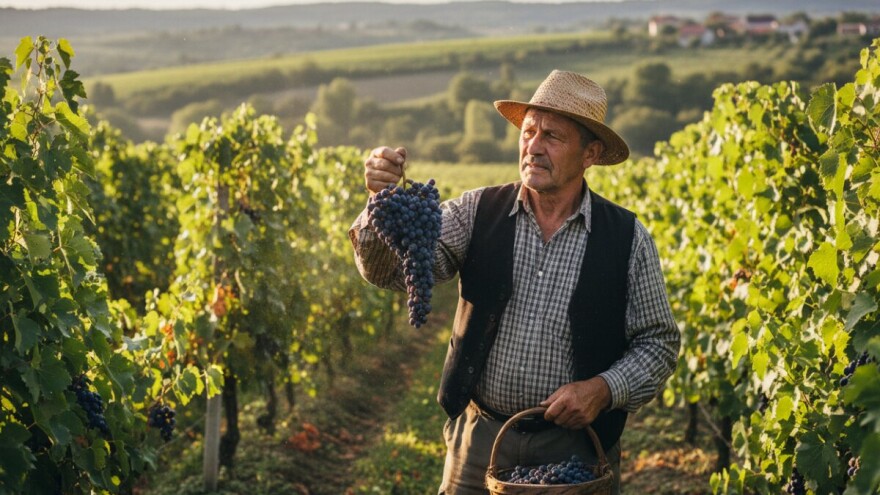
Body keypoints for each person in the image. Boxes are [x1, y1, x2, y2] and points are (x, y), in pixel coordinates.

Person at [349, 70, 680, 495]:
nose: (533, 147)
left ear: (591, 153)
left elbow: (659, 343)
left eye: (552, 136)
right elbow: (390, 272)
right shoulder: (476, 212)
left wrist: (602, 389)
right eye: (528, 132)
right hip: (481, 442)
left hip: (577, 452)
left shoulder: (627, 238)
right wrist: (377, 204)